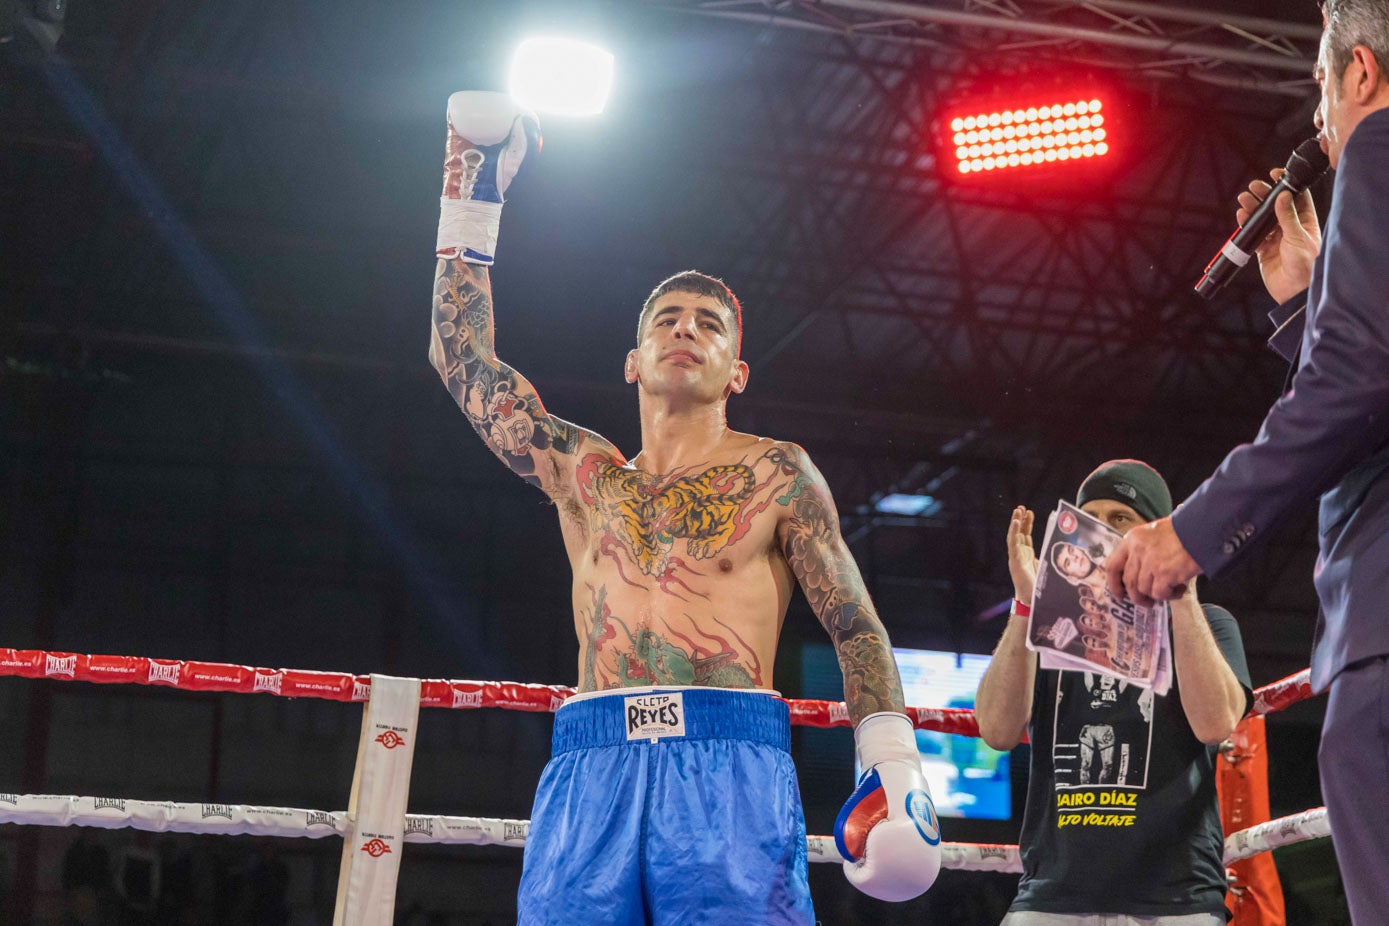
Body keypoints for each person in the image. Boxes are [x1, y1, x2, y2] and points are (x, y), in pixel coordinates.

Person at [428, 92, 941, 924]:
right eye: (666, 318)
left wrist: (891, 759)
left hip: (727, 755)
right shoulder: (584, 474)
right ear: (631, 361)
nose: (685, 329)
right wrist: (469, 188)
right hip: (592, 758)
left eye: (709, 324)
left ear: (736, 373)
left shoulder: (775, 473)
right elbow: (459, 359)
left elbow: (853, 624)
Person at [1104, 3, 1389, 920]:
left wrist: (1189, 534)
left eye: (1316, 82)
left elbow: (1356, 379)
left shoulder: (1380, 150)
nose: (1318, 116)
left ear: (1358, 73)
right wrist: (1310, 291)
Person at [976, 460, 1252, 924]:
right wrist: (1028, 602)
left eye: (1120, 519)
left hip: (1175, 899)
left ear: (1156, 533)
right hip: (1052, 897)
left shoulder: (1206, 624)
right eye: (1090, 518)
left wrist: (1180, 590)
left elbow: (1217, 723)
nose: (1099, 532)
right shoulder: (1052, 631)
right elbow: (997, 730)